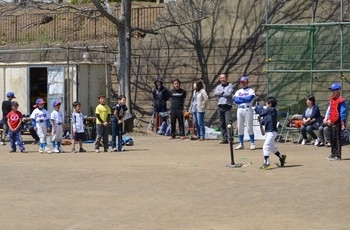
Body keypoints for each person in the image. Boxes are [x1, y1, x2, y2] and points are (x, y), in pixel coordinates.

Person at [256, 97, 287, 169]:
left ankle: (266, 163)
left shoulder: (272, 110)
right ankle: (282, 157)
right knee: (272, 148)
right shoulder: (268, 113)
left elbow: (265, 111)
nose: (266, 104)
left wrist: (260, 114)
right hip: (267, 132)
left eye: (266, 103)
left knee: (265, 147)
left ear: (270, 104)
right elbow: (263, 122)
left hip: (272, 132)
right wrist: (259, 120)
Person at [325, 83, 347, 161]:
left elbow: (343, 112)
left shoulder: (341, 100)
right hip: (332, 120)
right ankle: (333, 154)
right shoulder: (332, 99)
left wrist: (342, 123)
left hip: (339, 121)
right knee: (332, 138)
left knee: (337, 138)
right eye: (332, 90)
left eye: (334, 90)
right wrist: (328, 119)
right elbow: (331, 110)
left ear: (338, 90)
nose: (333, 92)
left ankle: (338, 155)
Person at [233, 76, 256, 150]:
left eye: (244, 82)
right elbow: (236, 100)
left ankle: (252, 143)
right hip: (240, 109)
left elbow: (249, 99)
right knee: (240, 127)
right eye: (242, 82)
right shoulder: (238, 91)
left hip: (247, 109)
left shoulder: (250, 90)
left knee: (249, 127)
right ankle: (241, 144)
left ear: (247, 82)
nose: (243, 83)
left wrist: (241, 98)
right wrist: (244, 99)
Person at [214, 73, 233, 144]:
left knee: (229, 123)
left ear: (226, 78)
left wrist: (221, 94)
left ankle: (230, 138)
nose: (222, 79)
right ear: (220, 79)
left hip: (227, 106)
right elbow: (215, 93)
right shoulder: (218, 86)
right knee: (222, 123)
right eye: (221, 78)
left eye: (224, 78)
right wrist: (223, 92)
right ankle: (224, 138)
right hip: (220, 106)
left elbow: (228, 94)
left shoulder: (230, 85)